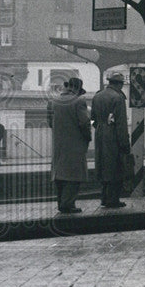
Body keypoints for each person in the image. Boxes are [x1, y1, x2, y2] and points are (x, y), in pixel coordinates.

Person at [51, 77, 92, 214]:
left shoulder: (54, 101)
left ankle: (61, 203)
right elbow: (84, 123)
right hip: (75, 143)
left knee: (60, 175)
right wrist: (88, 137)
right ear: (77, 89)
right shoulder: (78, 101)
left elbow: (50, 122)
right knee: (74, 175)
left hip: (59, 144)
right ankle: (68, 204)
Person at [91, 71, 131, 208]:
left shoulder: (97, 96)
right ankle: (113, 199)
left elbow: (92, 119)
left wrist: (100, 127)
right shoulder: (118, 98)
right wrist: (125, 143)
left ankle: (104, 197)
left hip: (100, 133)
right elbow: (121, 124)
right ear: (119, 84)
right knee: (116, 166)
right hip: (113, 135)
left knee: (102, 165)